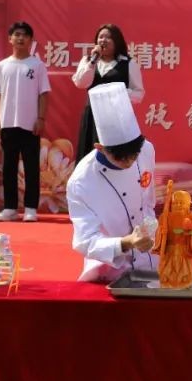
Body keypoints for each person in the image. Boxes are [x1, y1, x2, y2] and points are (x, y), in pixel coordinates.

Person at [67, 83, 158, 282]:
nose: (130, 162)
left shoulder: (147, 150)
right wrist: (127, 242)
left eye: (134, 155)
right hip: (108, 271)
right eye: (121, 158)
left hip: (151, 260)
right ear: (100, 148)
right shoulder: (82, 181)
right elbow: (86, 242)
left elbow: (148, 203)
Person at [0, 21, 51, 222]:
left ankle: (31, 208)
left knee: (32, 166)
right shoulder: (2, 66)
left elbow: (43, 94)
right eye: (17, 34)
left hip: (30, 123)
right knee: (9, 167)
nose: (20, 38)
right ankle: (10, 208)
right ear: (10, 39)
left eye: (25, 35)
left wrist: (40, 118)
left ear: (31, 40)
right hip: (7, 124)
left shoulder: (37, 65)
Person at [71, 24, 145, 160]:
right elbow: (81, 83)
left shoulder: (128, 64)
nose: (103, 40)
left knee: (113, 157)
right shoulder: (88, 61)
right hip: (92, 115)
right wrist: (92, 62)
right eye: (100, 37)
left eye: (108, 37)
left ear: (117, 42)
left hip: (116, 118)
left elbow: (138, 94)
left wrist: (118, 92)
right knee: (90, 156)